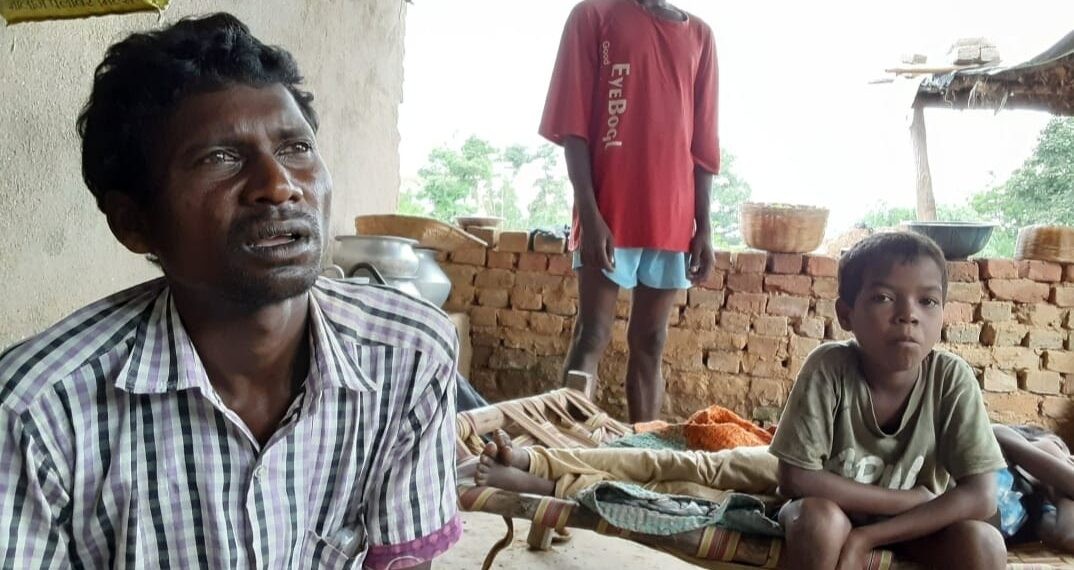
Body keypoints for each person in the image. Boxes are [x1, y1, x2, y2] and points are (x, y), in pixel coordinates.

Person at [0, 14, 459, 569]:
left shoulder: (408, 354)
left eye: (296, 148)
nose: (279, 185)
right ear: (134, 223)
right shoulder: (38, 413)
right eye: (220, 158)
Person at [768, 232, 1008, 570]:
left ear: (943, 314)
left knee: (985, 543)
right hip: (837, 515)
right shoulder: (829, 368)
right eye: (883, 298)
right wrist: (907, 500)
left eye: (927, 301)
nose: (908, 315)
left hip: (916, 527)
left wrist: (867, 538)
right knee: (819, 522)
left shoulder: (951, 378)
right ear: (846, 314)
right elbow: (796, 478)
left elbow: (982, 496)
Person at [538, 0, 719, 422]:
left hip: (672, 219)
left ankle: (642, 450)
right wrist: (589, 214)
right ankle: (568, 444)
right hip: (609, 214)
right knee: (592, 334)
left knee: (651, 342)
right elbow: (573, 127)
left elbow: (704, 146)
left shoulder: (700, 36)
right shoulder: (594, 15)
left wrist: (704, 227)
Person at [992, 424, 1074, 552]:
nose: (1069, 459)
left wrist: (1059, 493)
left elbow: (1068, 537)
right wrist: (1060, 467)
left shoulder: (1036, 507)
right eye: (1059, 447)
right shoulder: (999, 436)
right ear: (1029, 438)